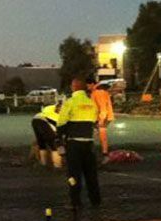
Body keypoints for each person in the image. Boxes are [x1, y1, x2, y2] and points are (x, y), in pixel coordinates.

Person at [57, 76, 101, 209]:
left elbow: (61, 124)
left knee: (74, 174)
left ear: (74, 87)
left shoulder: (70, 102)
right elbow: (94, 121)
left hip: (74, 144)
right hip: (89, 144)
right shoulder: (91, 103)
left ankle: (75, 202)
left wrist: (59, 141)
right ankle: (95, 201)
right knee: (91, 174)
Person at [31, 100, 63, 168]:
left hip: (35, 119)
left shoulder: (50, 108)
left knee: (42, 144)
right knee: (55, 146)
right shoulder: (59, 117)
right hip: (44, 122)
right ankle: (57, 166)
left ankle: (43, 163)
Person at [90, 80, 115, 156]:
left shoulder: (99, 92)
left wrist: (101, 118)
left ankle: (105, 151)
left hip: (103, 117)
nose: (87, 87)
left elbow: (103, 107)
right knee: (100, 133)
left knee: (102, 133)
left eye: (88, 85)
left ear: (92, 84)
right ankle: (104, 150)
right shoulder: (97, 92)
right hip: (102, 116)